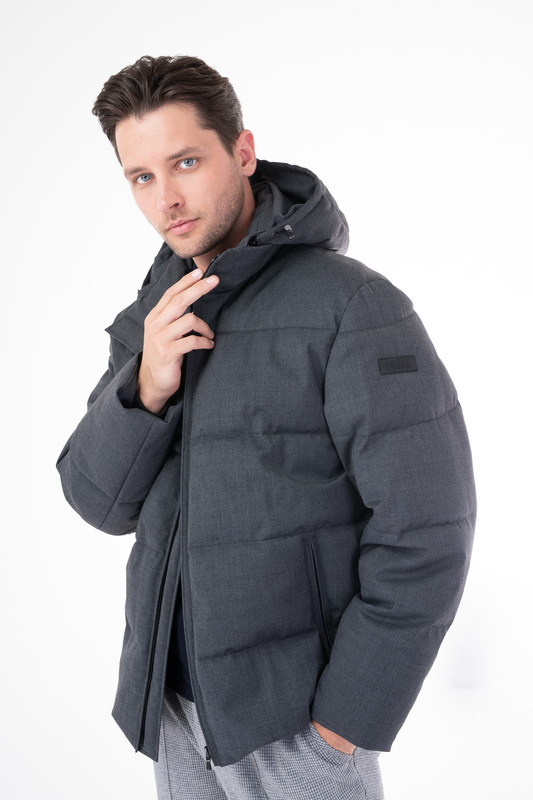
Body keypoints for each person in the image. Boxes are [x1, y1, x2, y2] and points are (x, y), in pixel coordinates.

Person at [57, 55, 476, 800]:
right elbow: (98, 503)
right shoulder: (155, 315)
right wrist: (146, 386)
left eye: (186, 162)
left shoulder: (354, 308)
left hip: (296, 726)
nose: (166, 198)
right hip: (175, 710)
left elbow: (428, 527)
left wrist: (345, 722)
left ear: (243, 152)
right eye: (142, 176)